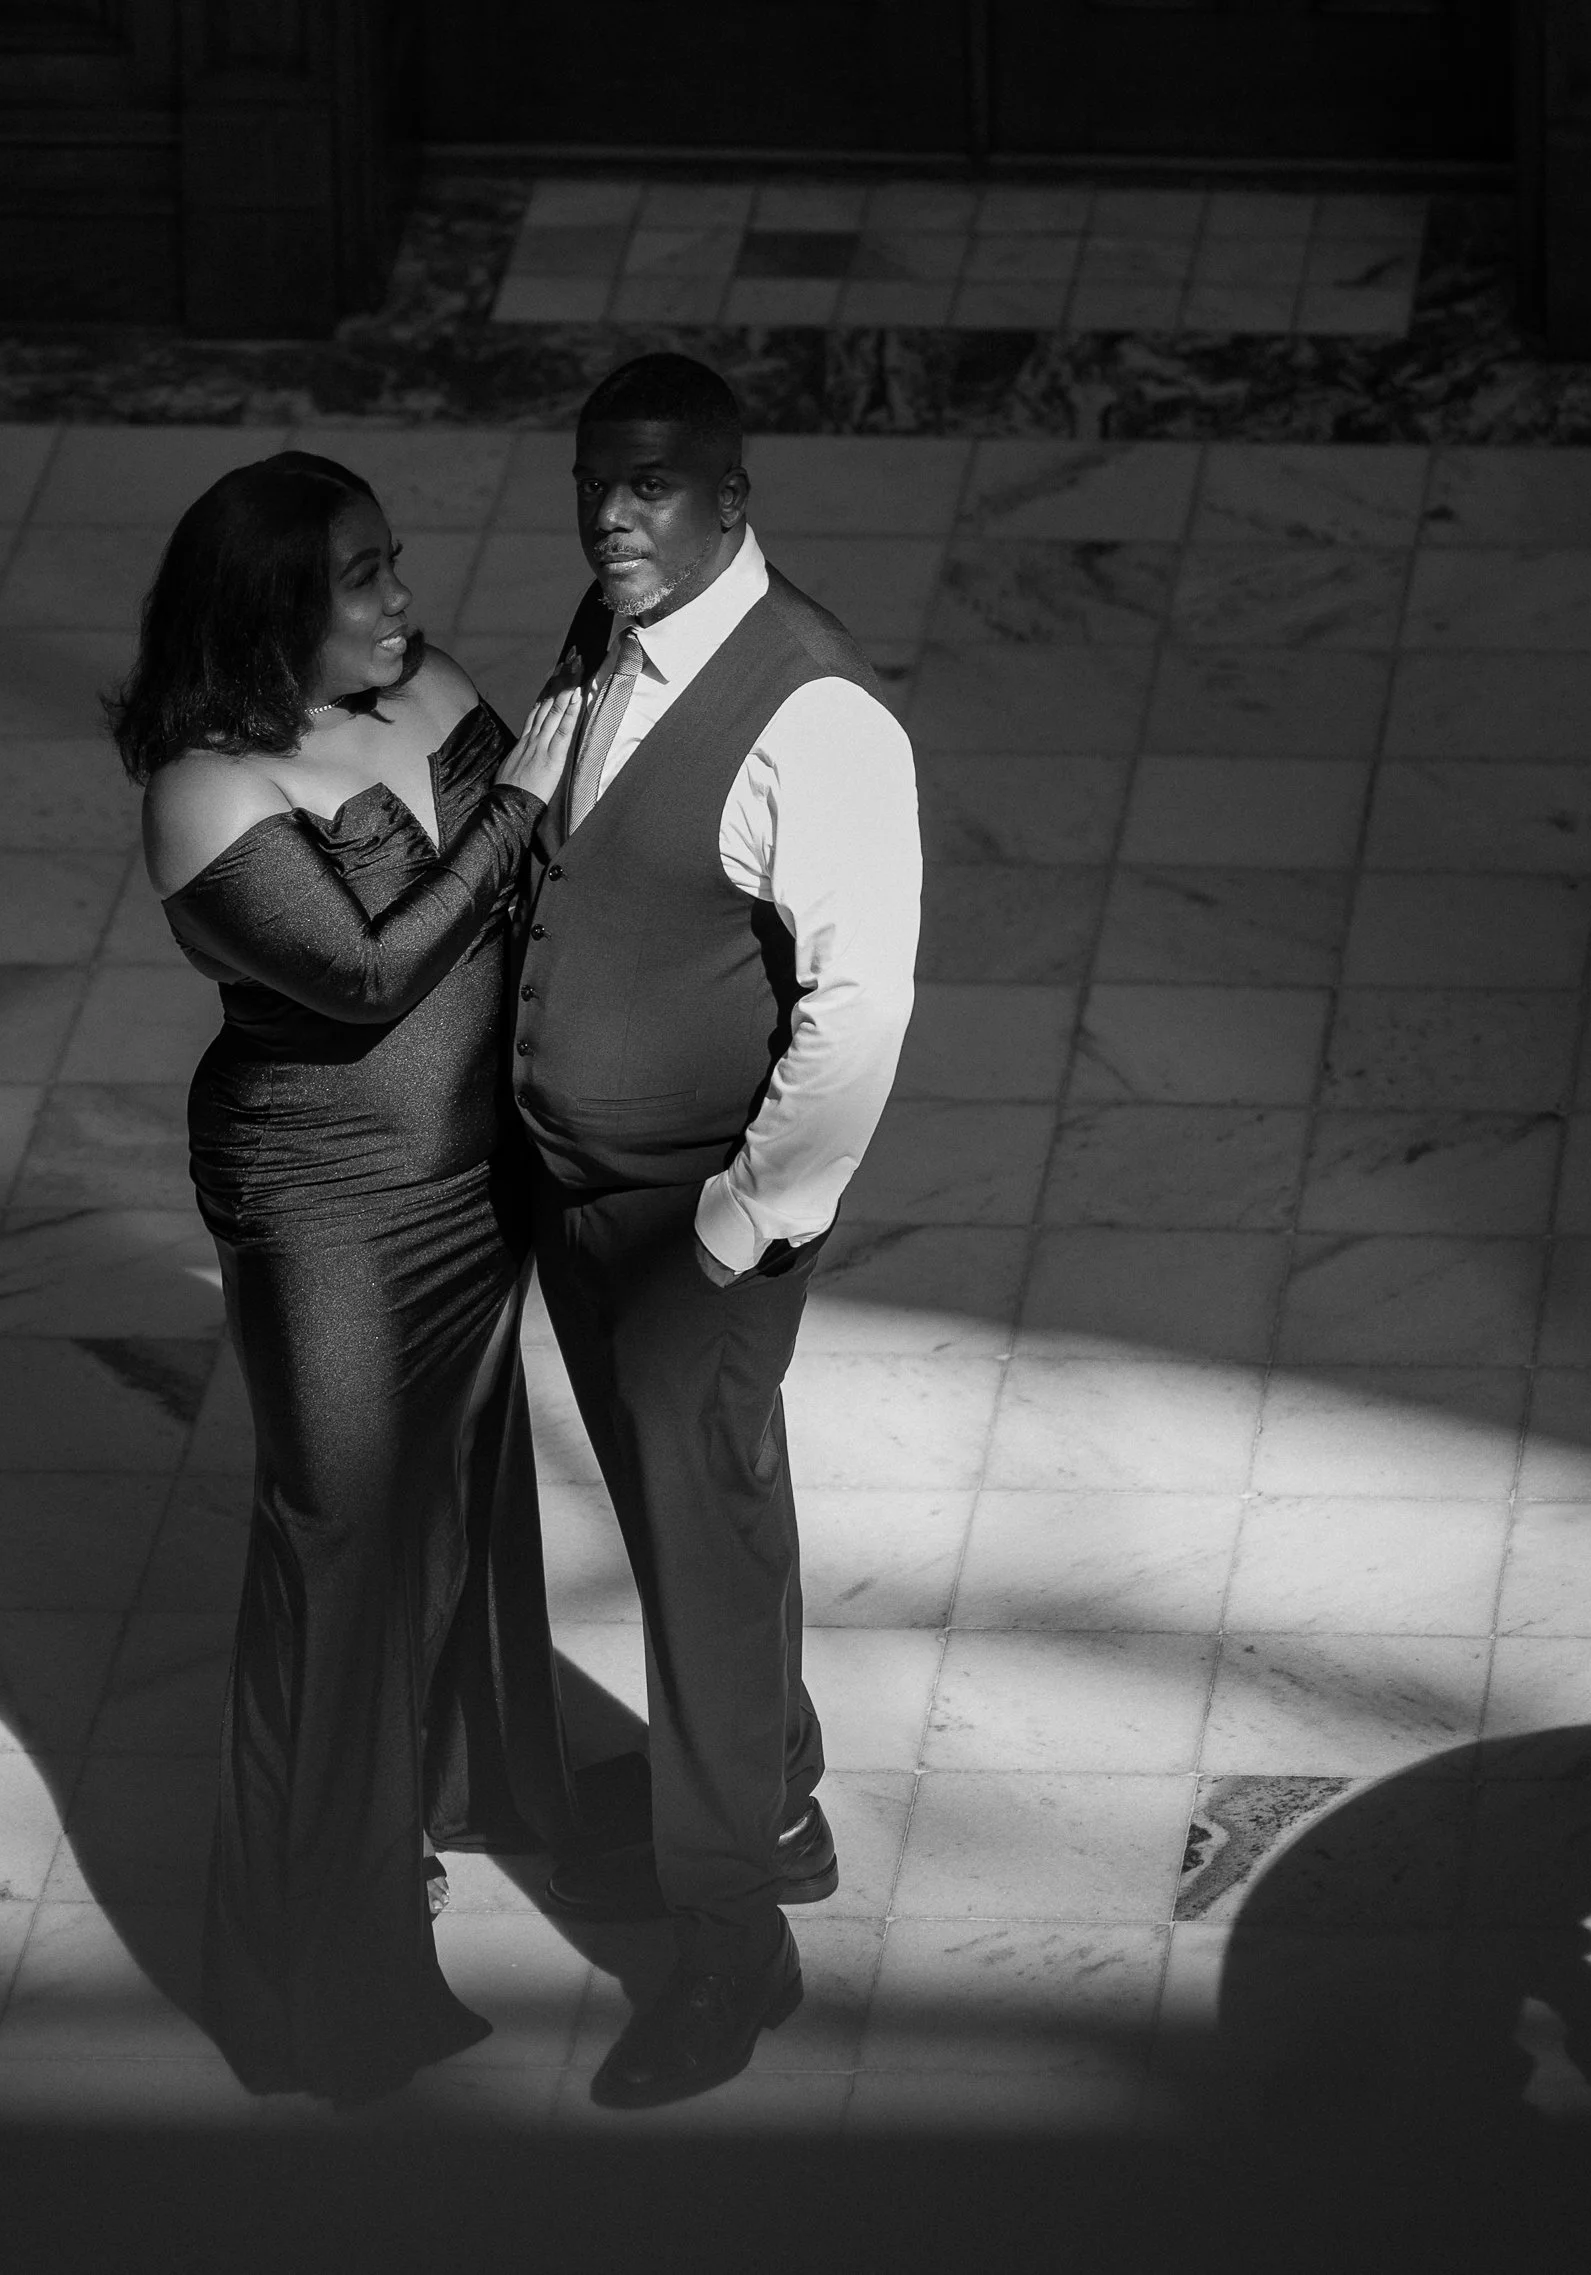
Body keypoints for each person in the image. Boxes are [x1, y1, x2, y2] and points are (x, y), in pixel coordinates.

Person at [110, 450, 587, 2107]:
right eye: (362, 578)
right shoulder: (203, 787)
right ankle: (316, 1951)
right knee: (334, 1540)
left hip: (478, 1183)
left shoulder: (425, 677)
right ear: (272, 616)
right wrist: (524, 795)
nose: (401, 597)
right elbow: (375, 971)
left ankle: (444, 1798)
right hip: (328, 1206)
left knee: (452, 1500)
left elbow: (544, 894)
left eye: (393, 562)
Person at [511, 355, 923, 2110]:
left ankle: (730, 1939)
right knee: (698, 1523)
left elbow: (862, 1003)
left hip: (698, 1225)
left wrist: (749, 1222)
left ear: (733, 502)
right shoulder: (607, 632)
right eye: (599, 480)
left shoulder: (815, 711)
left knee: (701, 1553)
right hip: (579, 1197)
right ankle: (778, 1785)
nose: (616, 512)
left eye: (656, 485)